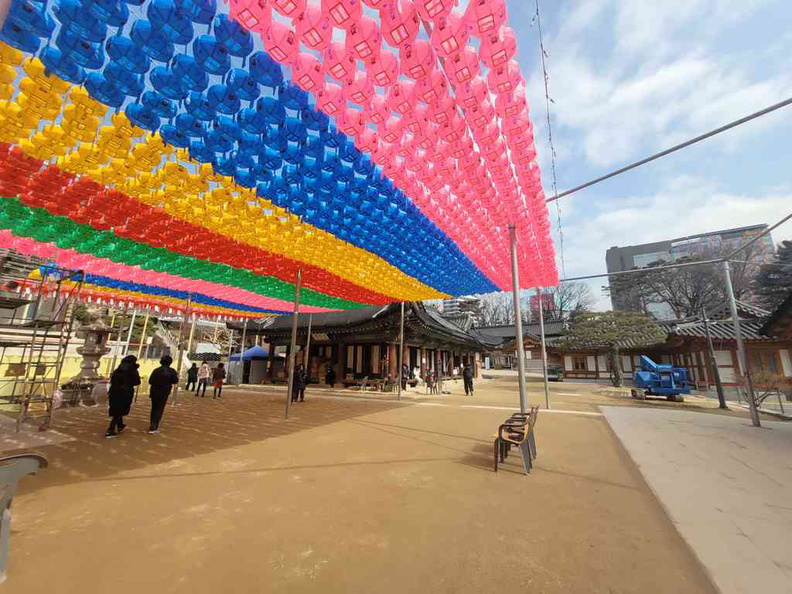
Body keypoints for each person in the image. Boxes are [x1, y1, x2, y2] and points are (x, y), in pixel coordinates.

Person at [105, 355, 141, 438]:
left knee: (117, 408)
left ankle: (120, 425)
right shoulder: (132, 370)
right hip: (125, 392)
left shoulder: (117, 370)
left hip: (114, 392)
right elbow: (137, 382)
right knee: (120, 410)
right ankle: (111, 429)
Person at [148, 355, 178, 434]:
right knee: (160, 408)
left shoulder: (156, 370)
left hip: (154, 391)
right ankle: (155, 425)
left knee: (154, 408)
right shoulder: (172, 371)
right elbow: (175, 381)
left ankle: (152, 423)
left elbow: (150, 381)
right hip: (164, 391)